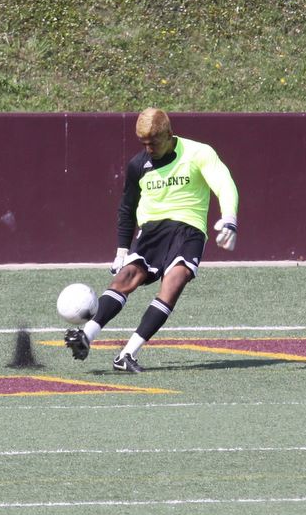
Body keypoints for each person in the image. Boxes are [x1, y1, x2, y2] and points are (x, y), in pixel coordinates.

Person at [64, 107, 239, 372]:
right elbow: (127, 207)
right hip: (151, 231)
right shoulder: (138, 165)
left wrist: (229, 218)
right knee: (127, 276)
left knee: (176, 279)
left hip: (189, 229)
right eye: (143, 143)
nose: (148, 149)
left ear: (169, 134)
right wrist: (121, 250)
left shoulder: (199, 153)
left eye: (153, 143)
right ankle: (86, 336)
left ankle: (127, 354)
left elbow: (224, 183)